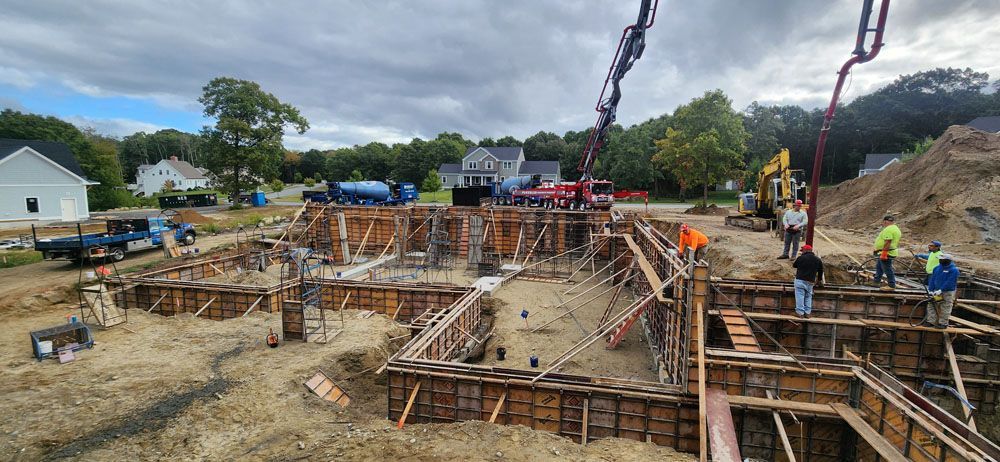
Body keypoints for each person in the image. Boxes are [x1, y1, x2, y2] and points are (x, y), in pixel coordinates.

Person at [926, 254, 959, 329]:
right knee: (931, 305)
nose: (940, 261)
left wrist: (941, 290)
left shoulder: (953, 270)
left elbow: (950, 282)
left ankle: (943, 323)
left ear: (948, 260)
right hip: (936, 291)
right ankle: (930, 321)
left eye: (942, 259)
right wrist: (931, 290)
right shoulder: (936, 268)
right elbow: (932, 279)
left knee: (946, 307)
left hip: (947, 292)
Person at [792, 244, 823, 318]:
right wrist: (819, 280)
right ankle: (807, 313)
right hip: (810, 281)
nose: (802, 252)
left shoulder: (801, 258)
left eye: (802, 251)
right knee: (808, 297)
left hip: (800, 280)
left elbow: (794, 265)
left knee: (800, 296)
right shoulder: (817, 259)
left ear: (806, 250)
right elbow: (821, 271)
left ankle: (800, 313)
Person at [872, 215, 902, 291]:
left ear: (885, 221)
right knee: (879, 267)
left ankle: (891, 285)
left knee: (887, 269)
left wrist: (884, 253)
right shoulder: (895, 228)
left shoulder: (888, 229)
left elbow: (888, 241)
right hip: (886, 251)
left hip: (887, 252)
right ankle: (876, 281)